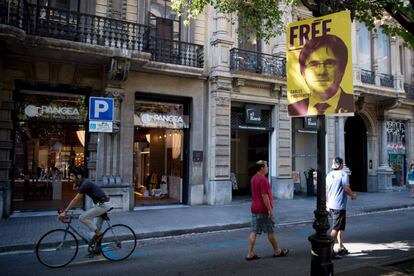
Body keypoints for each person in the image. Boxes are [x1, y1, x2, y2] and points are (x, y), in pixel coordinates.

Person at [288, 34, 354, 116]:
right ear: (302, 72)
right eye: (313, 64)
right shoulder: (293, 109)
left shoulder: (353, 103)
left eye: (329, 63)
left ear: (342, 69)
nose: (321, 71)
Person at [58, 168, 111, 254]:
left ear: (79, 176)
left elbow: (76, 199)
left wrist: (65, 211)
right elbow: (76, 190)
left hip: (103, 205)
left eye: (72, 176)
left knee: (82, 217)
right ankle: (97, 249)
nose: (70, 178)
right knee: (95, 229)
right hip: (99, 204)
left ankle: (99, 234)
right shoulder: (83, 182)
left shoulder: (85, 184)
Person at [246, 160, 289, 261]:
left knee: (253, 231)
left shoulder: (253, 178)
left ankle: (250, 253)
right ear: (262, 168)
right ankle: (277, 251)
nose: (268, 168)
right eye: (266, 166)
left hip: (254, 208)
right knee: (270, 231)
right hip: (263, 210)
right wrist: (270, 210)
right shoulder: (263, 180)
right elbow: (264, 196)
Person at [326, 157, 357, 257]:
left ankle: (340, 246)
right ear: (341, 165)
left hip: (330, 204)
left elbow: (326, 189)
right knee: (336, 227)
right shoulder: (343, 174)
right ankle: (328, 249)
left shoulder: (329, 174)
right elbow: (346, 188)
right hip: (339, 205)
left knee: (340, 226)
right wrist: (353, 195)